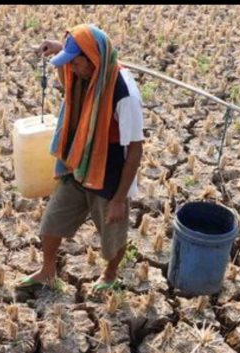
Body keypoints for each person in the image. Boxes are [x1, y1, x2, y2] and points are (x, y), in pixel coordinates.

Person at [16, 24, 144, 292]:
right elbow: (75, 63)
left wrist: (119, 199)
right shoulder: (87, 74)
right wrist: (63, 50)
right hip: (77, 165)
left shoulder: (125, 94)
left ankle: (110, 275)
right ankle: (48, 270)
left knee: (112, 237)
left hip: (109, 175)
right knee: (52, 222)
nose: (70, 70)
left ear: (93, 59)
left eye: (74, 63)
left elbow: (134, 150)